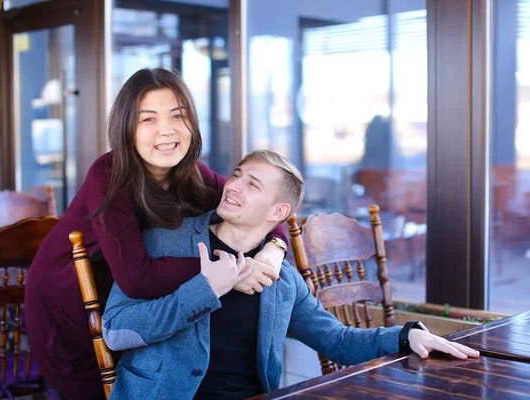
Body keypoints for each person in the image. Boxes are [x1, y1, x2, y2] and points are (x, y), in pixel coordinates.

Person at [102, 150, 480, 400]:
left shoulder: (280, 278)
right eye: (237, 175)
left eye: (253, 184)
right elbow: (116, 332)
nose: (232, 186)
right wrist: (203, 290)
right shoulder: (165, 240)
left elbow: (337, 340)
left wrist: (405, 335)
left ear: (278, 211)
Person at [24, 69, 288, 400]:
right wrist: (230, 272)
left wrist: (274, 248)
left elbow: (263, 206)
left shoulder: (191, 173)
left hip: (129, 306)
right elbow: (138, 278)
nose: (167, 130)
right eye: (148, 119)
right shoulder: (109, 175)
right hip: (71, 305)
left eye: (178, 116)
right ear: (126, 129)